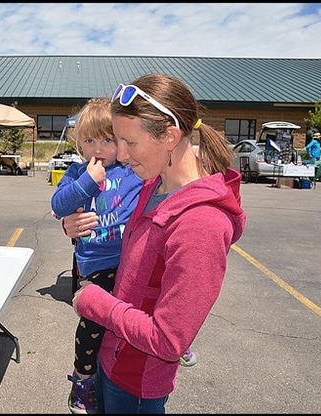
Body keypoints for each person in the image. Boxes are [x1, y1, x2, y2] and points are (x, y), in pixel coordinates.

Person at [66, 73, 246, 414]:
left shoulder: (201, 224)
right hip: (111, 355)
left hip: (136, 382)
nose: (119, 154)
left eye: (129, 143)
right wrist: (71, 223)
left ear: (170, 136)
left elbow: (169, 340)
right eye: (116, 140)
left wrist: (95, 303)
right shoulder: (152, 184)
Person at [51, 98, 143, 414]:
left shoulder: (132, 172)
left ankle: (174, 338)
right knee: (94, 320)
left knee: (147, 297)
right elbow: (59, 205)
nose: (98, 148)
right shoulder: (78, 172)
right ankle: (82, 378)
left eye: (108, 139)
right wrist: (87, 182)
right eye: (89, 140)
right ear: (79, 144)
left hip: (130, 256)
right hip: (97, 263)